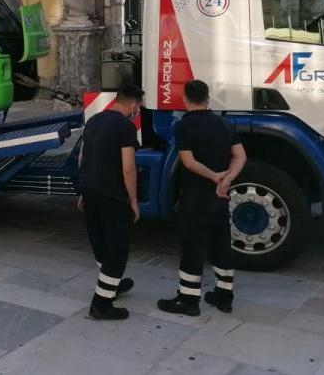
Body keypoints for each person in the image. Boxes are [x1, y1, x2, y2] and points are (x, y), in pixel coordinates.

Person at [158, 80, 247, 316]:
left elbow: (189, 162)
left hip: (195, 195)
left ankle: (188, 301)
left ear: (185, 99)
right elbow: (240, 156)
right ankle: (224, 297)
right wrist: (226, 179)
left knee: (193, 246)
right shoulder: (225, 123)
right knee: (221, 243)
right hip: (219, 196)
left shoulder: (183, 126)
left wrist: (214, 176)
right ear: (208, 99)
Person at [78, 83, 143, 320]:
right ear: (134, 104)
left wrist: (82, 192)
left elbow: (84, 157)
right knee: (117, 249)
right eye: (138, 106)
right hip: (112, 195)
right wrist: (133, 201)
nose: (138, 110)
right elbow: (128, 168)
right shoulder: (126, 127)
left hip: (90, 190)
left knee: (101, 243)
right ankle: (101, 304)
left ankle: (111, 285)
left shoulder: (94, 121)